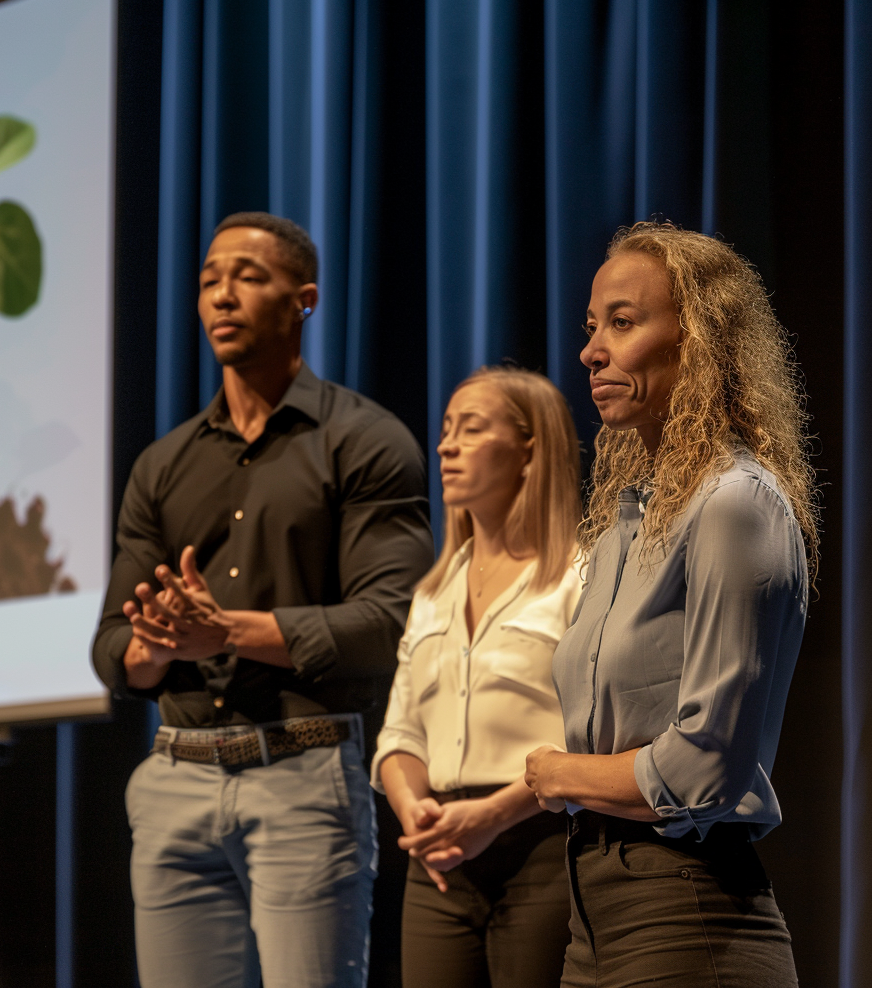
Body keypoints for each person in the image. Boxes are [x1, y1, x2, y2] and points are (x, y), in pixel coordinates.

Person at [92, 212, 435, 988]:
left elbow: (393, 625)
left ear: (303, 299)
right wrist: (157, 642)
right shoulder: (163, 464)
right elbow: (115, 648)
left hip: (303, 773)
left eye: (247, 277)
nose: (222, 295)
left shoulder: (365, 441)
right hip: (175, 781)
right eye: (210, 279)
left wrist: (226, 632)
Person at [524, 222, 818, 987]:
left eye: (623, 323)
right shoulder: (629, 519)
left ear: (700, 342)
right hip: (594, 913)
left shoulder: (733, 504)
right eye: (592, 329)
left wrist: (561, 775)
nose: (592, 352)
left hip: (690, 913)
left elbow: (705, 765)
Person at [372, 367, 584, 988]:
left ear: (529, 450)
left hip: (540, 841)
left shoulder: (582, 574)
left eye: (470, 429)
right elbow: (400, 735)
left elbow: (594, 733)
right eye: (445, 431)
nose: (445, 446)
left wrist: (492, 816)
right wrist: (416, 812)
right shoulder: (434, 590)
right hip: (440, 856)